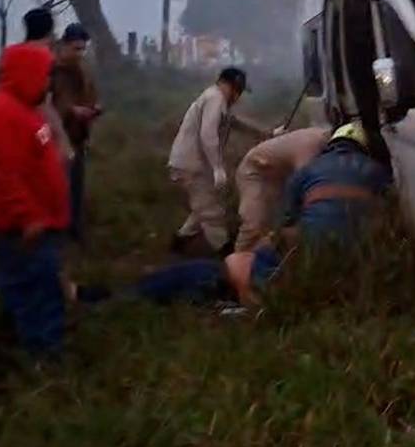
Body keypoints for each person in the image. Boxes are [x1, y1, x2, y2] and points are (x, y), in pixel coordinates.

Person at [137, 121, 392, 309]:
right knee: (252, 226)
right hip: (259, 177)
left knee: (223, 271)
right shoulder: (377, 172)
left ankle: (132, 295)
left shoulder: (312, 167)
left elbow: (290, 216)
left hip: (294, 258)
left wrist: (273, 242)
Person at [0, 44, 69, 356]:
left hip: (40, 222)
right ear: (27, 73)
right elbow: (2, 174)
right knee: (32, 290)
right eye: (44, 76)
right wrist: (27, 216)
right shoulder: (3, 113)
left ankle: (41, 347)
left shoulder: (27, 109)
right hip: (22, 227)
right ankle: (42, 355)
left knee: (43, 286)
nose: (48, 83)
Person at [168, 67, 249, 256]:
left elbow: (235, 122)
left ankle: (179, 243)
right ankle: (227, 254)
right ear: (234, 87)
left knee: (201, 208)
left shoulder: (215, 99)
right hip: (191, 166)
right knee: (212, 213)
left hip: (191, 164)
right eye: (239, 91)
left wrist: (268, 133)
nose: (239, 97)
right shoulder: (215, 98)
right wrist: (218, 168)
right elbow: (208, 134)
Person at [234, 127, 330, 253]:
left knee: (274, 228)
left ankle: (264, 263)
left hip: (278, 178)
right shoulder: (312, 145)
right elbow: (305, 183)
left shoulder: (323, 141)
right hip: (255, 173)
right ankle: (237, 262)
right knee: (254, 225)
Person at [51, 23, 101, 242]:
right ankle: (57, 231)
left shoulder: (83, 69)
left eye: (82, 49)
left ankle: (74, 229)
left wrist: (94, 109)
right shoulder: (51, 69)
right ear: (64, 45)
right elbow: (48, 104)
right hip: (56, 138)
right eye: (76, 49)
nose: (79, 53)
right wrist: (71, 111)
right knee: (59, 187)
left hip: (78, 136)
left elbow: (90, 93)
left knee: (76, 187)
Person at [22, 8, 73, 162]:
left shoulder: (10, 58)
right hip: (34, 133)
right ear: (50, 31)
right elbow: (43, 105)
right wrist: (62, 140)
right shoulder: (44, 61)